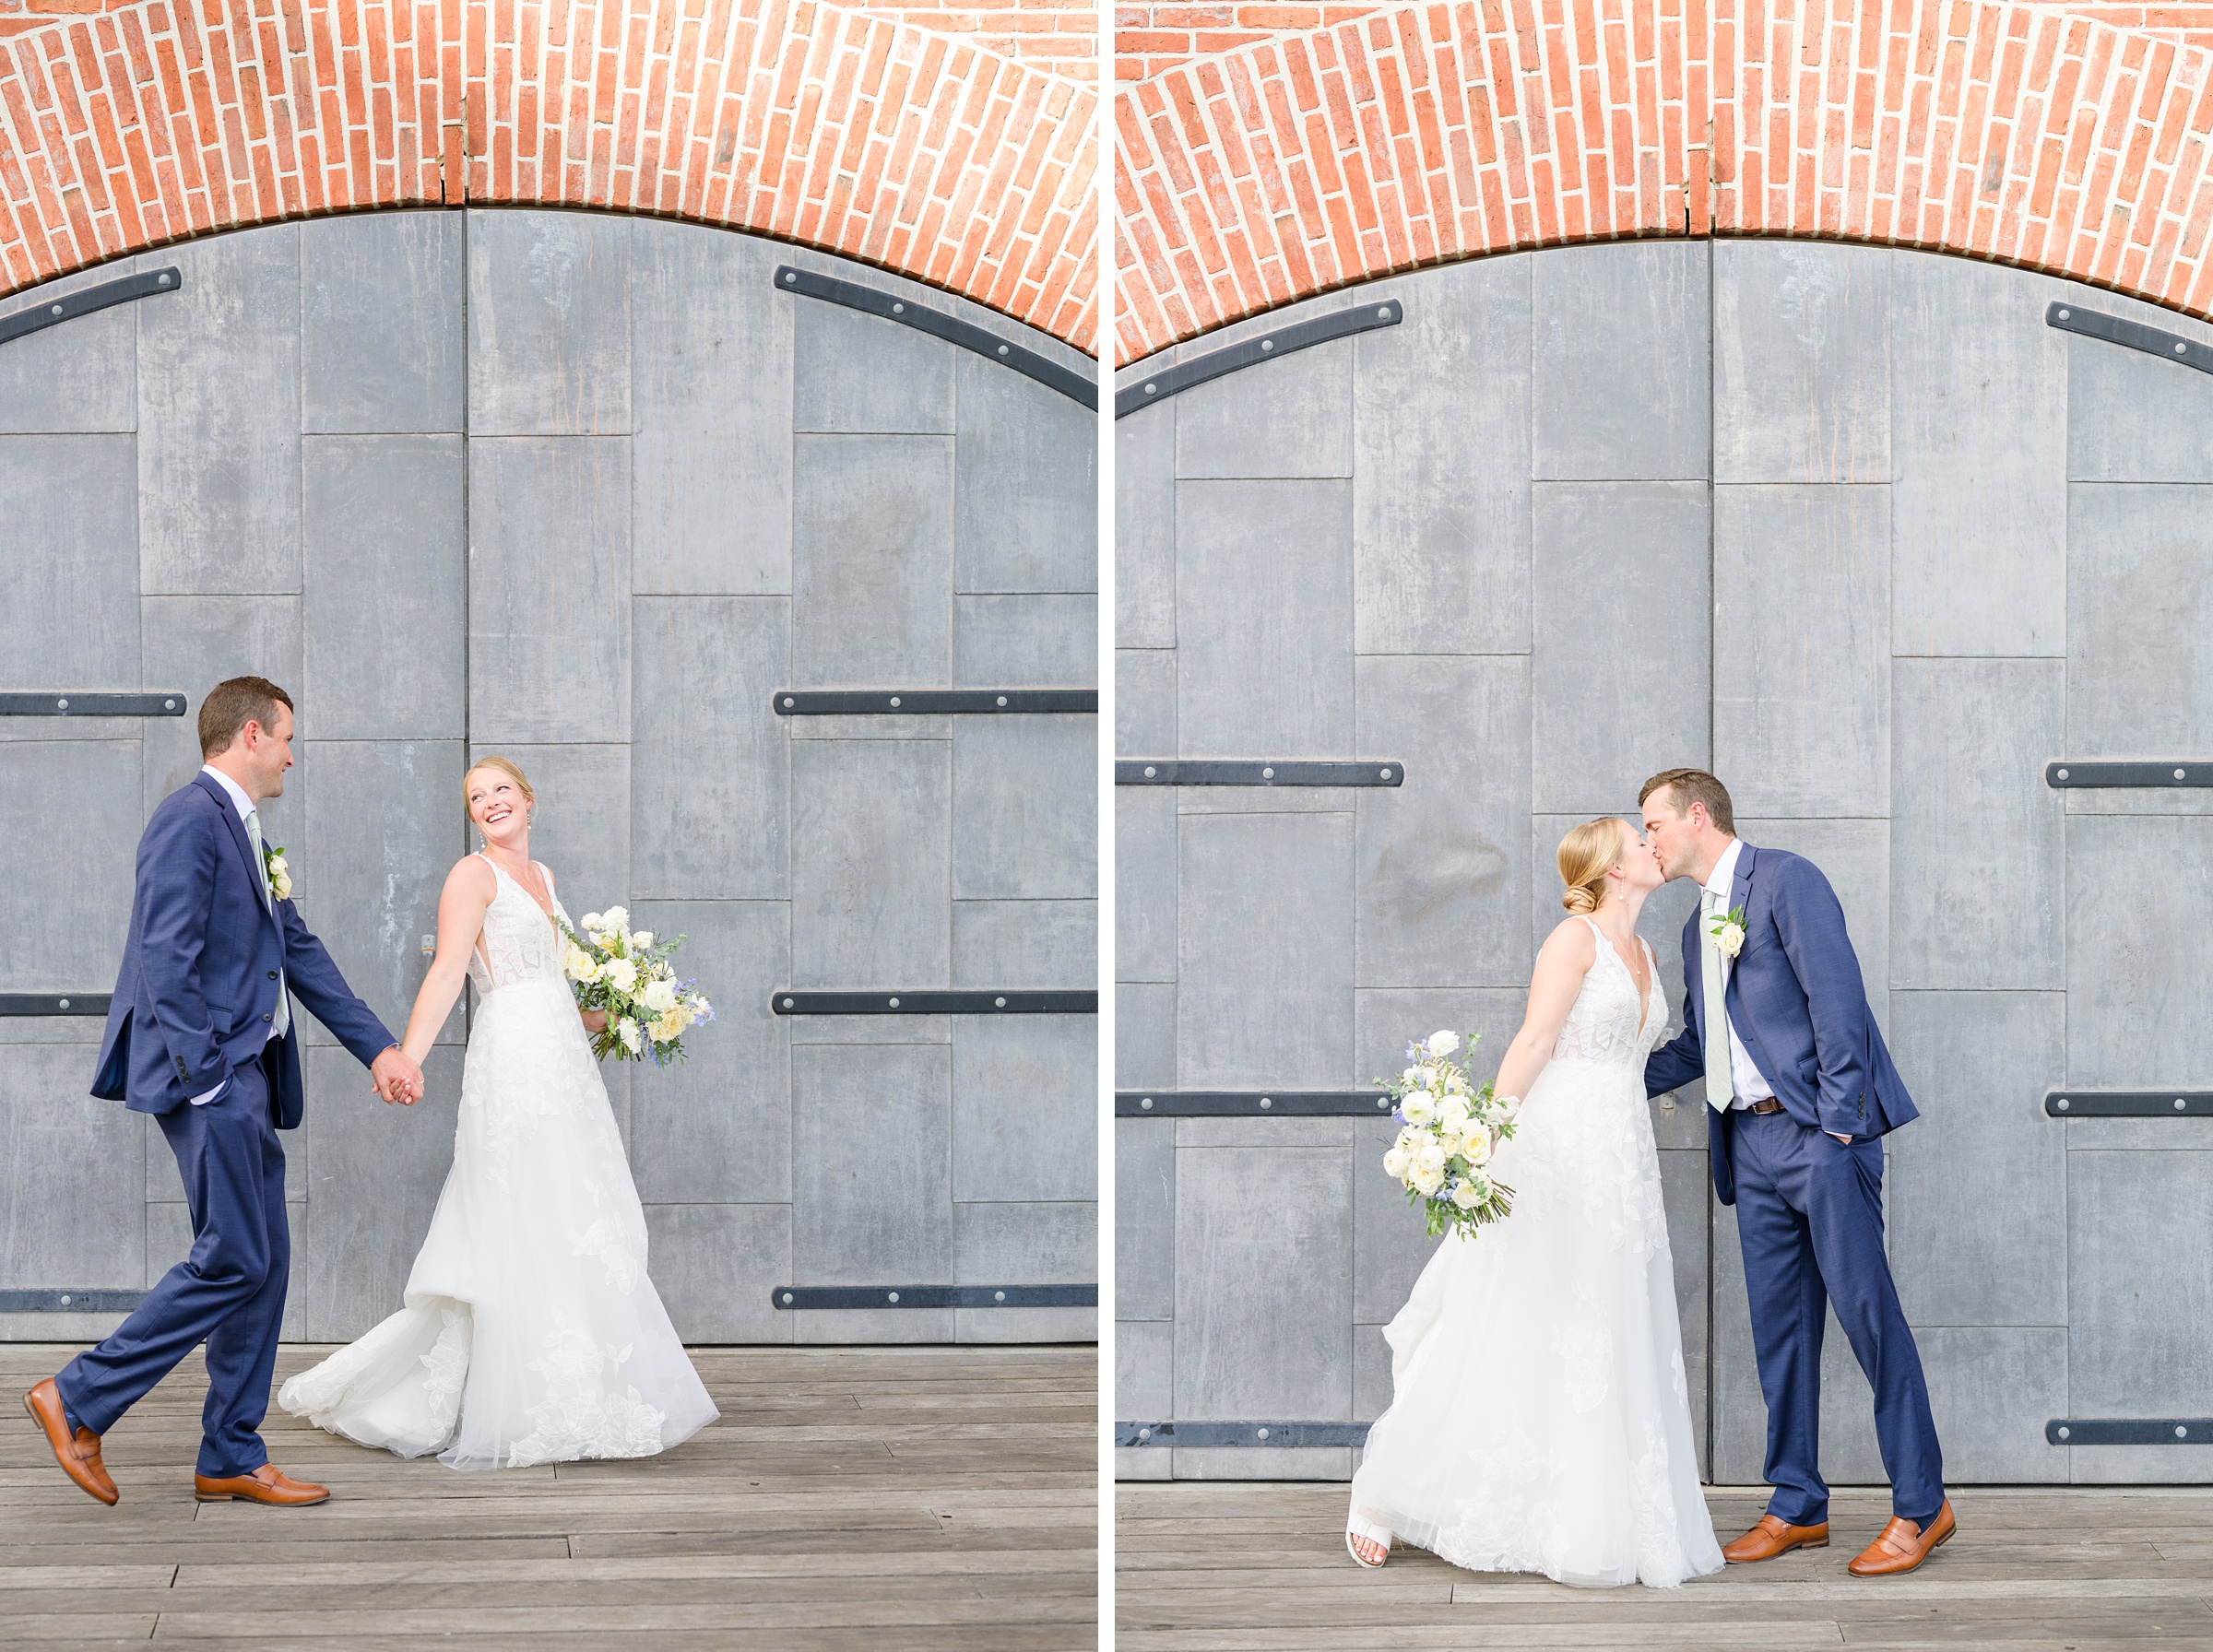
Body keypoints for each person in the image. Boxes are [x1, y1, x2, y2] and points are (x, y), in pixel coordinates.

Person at [23, 677, 423, 1509]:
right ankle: (78, 1397)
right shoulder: (188, 819)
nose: (290, 756)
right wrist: (208, 1079)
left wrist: (379, 1048)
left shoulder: (243, 831)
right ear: (250, 734)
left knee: (261, 1261)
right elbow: (164, 957)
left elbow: (297, 950)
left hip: (246, 1071)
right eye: (285, 740)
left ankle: (230, 1454)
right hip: (209, 1076)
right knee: (234, 1255)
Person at [278, 756, 716, 1468]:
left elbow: (556, 988)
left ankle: (586, 1386)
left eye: (500, 790)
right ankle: (513, 1399)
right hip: (512, 1060)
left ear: (529, 801)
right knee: (519, 1206)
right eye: (476, 797)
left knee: (574, 1207)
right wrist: (406, 1055)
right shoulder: (471, 875)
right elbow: (451, 969)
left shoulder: (546, 882)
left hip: (564, 1061)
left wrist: (630, 1013)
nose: (489, 803)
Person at [1345, 817, 1722, 1587]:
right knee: (1509, 1315)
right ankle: (1382, 1492)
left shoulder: (1646, 950)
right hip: (1556, 1152)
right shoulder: (1572, 940)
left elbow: (1643, 1058)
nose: (1654, 844)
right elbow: (1533, 1044)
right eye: (1637, 838)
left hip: (1621, 1159)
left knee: (1603, 1325)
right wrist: (1478, 1142)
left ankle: (1578, 1516)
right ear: (1612, 869)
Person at [1640, 767, 1951, 1577]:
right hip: (1748, 1146)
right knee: (1780, 1333)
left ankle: (1923, 1506)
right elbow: (1700, 1047)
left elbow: (1837, 1003)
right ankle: (1796, 1505)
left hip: (1820, 1138)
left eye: (1654, 826)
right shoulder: (1690, 931)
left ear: (1697, 816)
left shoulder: (1786, 879)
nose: (1648, 842)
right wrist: (1599, 1074)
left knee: (1867, 1318)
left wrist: (1843, 1129)